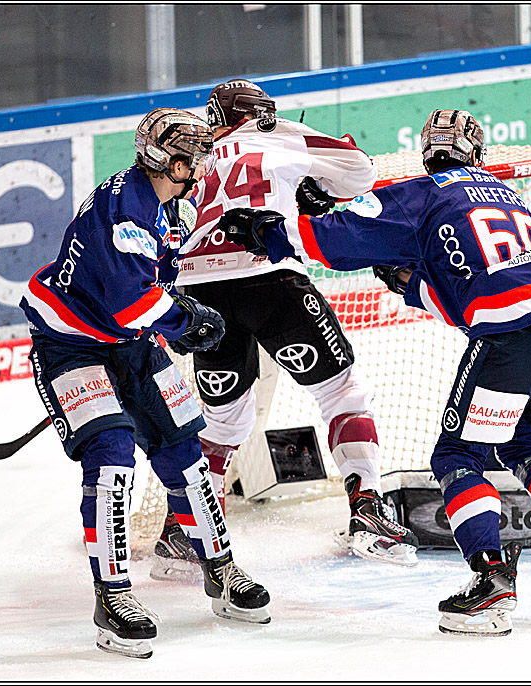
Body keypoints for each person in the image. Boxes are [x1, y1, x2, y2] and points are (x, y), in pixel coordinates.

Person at [218, 108, 531, 636]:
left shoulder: (426, 190)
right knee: (525, 441)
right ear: (478, 153)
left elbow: (337, 241)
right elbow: (465, 289)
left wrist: (272, 233)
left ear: (429, 152)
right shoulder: (507, 196)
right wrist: (407, 282)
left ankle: (492, 584)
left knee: (456, 455)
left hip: (512, 331)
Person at [18, 108, 270, 659]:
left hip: (129, 344)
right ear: (172, 162)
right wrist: (188, 320)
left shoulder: (159, 197)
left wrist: (236, 227)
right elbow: (132, 302)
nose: (203, 164)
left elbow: (172, 248)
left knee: (184, 453)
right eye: (196, 156)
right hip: (72, 346)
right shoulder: (124, 211)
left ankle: (220, 569)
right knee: (110, 457)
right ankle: (112, 595)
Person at [150, 79, 418, 576]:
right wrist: (317, 187)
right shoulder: (274, 130)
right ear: (261, 110)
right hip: (268, 276)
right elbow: (359, 170)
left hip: (198, 291)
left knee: (223, 423)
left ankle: (186, 533)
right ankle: (368, 512)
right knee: (342, 392)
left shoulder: (197, 156)